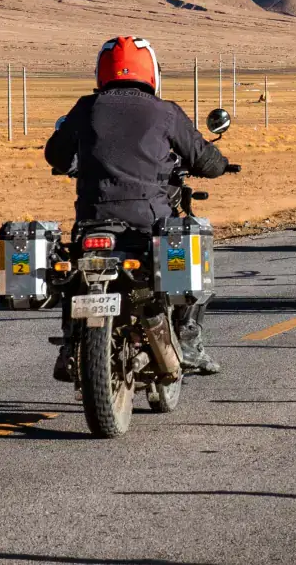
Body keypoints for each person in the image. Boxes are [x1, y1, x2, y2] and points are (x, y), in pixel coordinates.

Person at [44, 34, 231, 375]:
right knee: (194, 241)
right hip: (146, 221)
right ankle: (188, 340)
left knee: (74, 273)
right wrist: (219, 162)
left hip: (92, 220)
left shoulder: (86, 107)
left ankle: (70, 342)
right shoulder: (165, 111)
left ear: (102, 72)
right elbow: (205, 160)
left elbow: (54, 155)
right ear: (151, 72)